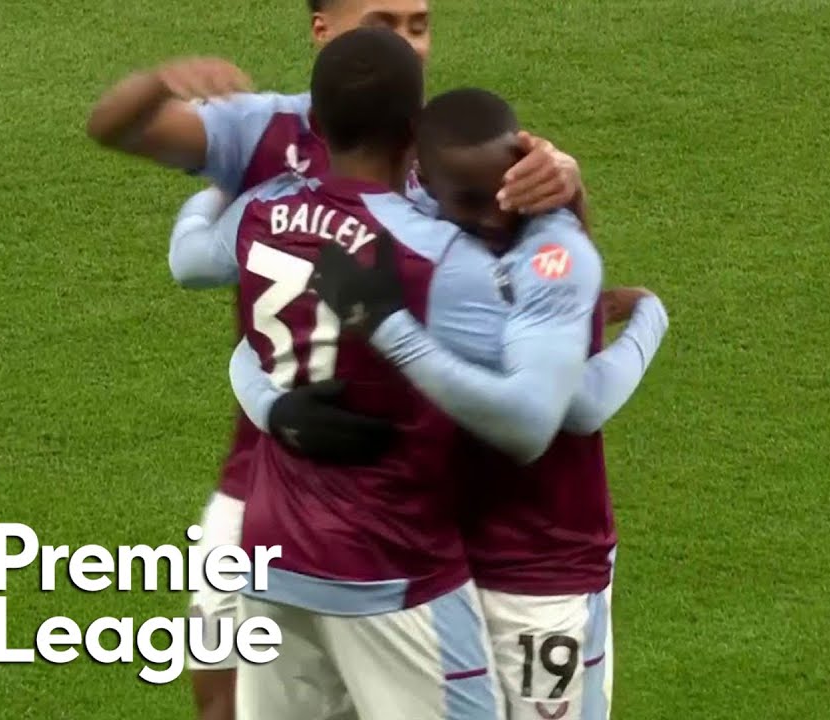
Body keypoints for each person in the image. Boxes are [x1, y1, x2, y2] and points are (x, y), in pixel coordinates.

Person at [86, 3, 588, 717]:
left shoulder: (459, 152)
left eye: (419, 25)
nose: (406, 43)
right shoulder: (268, 130)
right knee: (220, 694)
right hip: (274, 487)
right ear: (322, 29)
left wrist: (564, 182)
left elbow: (194, 258)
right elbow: (118, 128)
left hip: (394, 499)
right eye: (382, 23)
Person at [224, 88, 669, 719]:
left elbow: (572, 407)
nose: (489, 215)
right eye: (465, 197)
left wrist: (651, 315)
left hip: (533, 566)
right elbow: (259, 343)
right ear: (420, 177)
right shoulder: (416, 240)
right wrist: (276, 409)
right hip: (466, 563)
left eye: (499, 192)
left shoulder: (545, 256)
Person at [171, 27, 503, 720]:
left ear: (315, 124)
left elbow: (193, 261)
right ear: (415, 132)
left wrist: (270, 405)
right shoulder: (442, 255)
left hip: (270, 549)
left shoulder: (262, 215)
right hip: (391, 564)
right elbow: (544, 393)